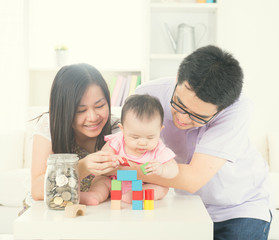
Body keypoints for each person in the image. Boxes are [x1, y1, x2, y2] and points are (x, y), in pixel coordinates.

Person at [133, 45, 271, 240]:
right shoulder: (147, 96)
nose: (182, 118)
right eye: (178, 103)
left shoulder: (238, 108)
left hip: (239, 207)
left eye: (197, 116)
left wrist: (117, 169)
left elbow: (192, 179)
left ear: (220, 109)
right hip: (189, 205)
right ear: (177, 79)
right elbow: (128, 149)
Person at [21, 63, 121, 213]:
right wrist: (82, 167)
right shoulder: (49, 125)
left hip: (95, 211)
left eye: (100, 106)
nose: (93, 117)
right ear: (63, 110)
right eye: (81, 110)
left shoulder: (116, 129)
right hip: (48, 210)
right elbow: (37, 189)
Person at [82, 94, 178, 205]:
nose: (142, 143)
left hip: (142, 185)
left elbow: (174, 170)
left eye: (150, 137)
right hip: (115, 182)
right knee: (100, 180)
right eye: (135, 137)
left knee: (162, 188)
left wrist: (162, 169)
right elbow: (103, 156)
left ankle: (136, 195)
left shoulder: (159, 149)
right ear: (122, 129)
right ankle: (94, 195)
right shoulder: (117, 141)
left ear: (160, 130)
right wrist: (113, 159)